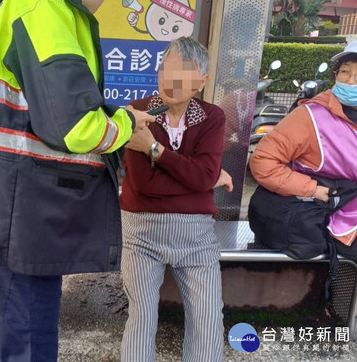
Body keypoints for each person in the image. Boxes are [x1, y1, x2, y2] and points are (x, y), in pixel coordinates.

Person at [0, 0, 154, 362]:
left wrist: (111, 111)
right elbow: (73, 127)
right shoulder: (48, 9)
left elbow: (30, 99)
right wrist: (125, 125)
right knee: (28, 341)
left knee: (2, 333)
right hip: (24, 211)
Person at [119, 37, 232, 362]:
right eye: (167, 71)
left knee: (209, 318)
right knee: (142, 316)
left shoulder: (212, 117)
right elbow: (145, 184)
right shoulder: (137, 112)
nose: (173, 80)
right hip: (141, 234)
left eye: (184, 72)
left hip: (197, 237)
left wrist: (155, 150)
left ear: (202, 81)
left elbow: (203, 176)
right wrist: (200, 179)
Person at [250, 40, 357, 254]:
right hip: (333, 220)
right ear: (335, 74)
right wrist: (313, 190)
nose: (351, 81)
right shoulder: (311, 116)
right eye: (345, 72)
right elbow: (263, 162)